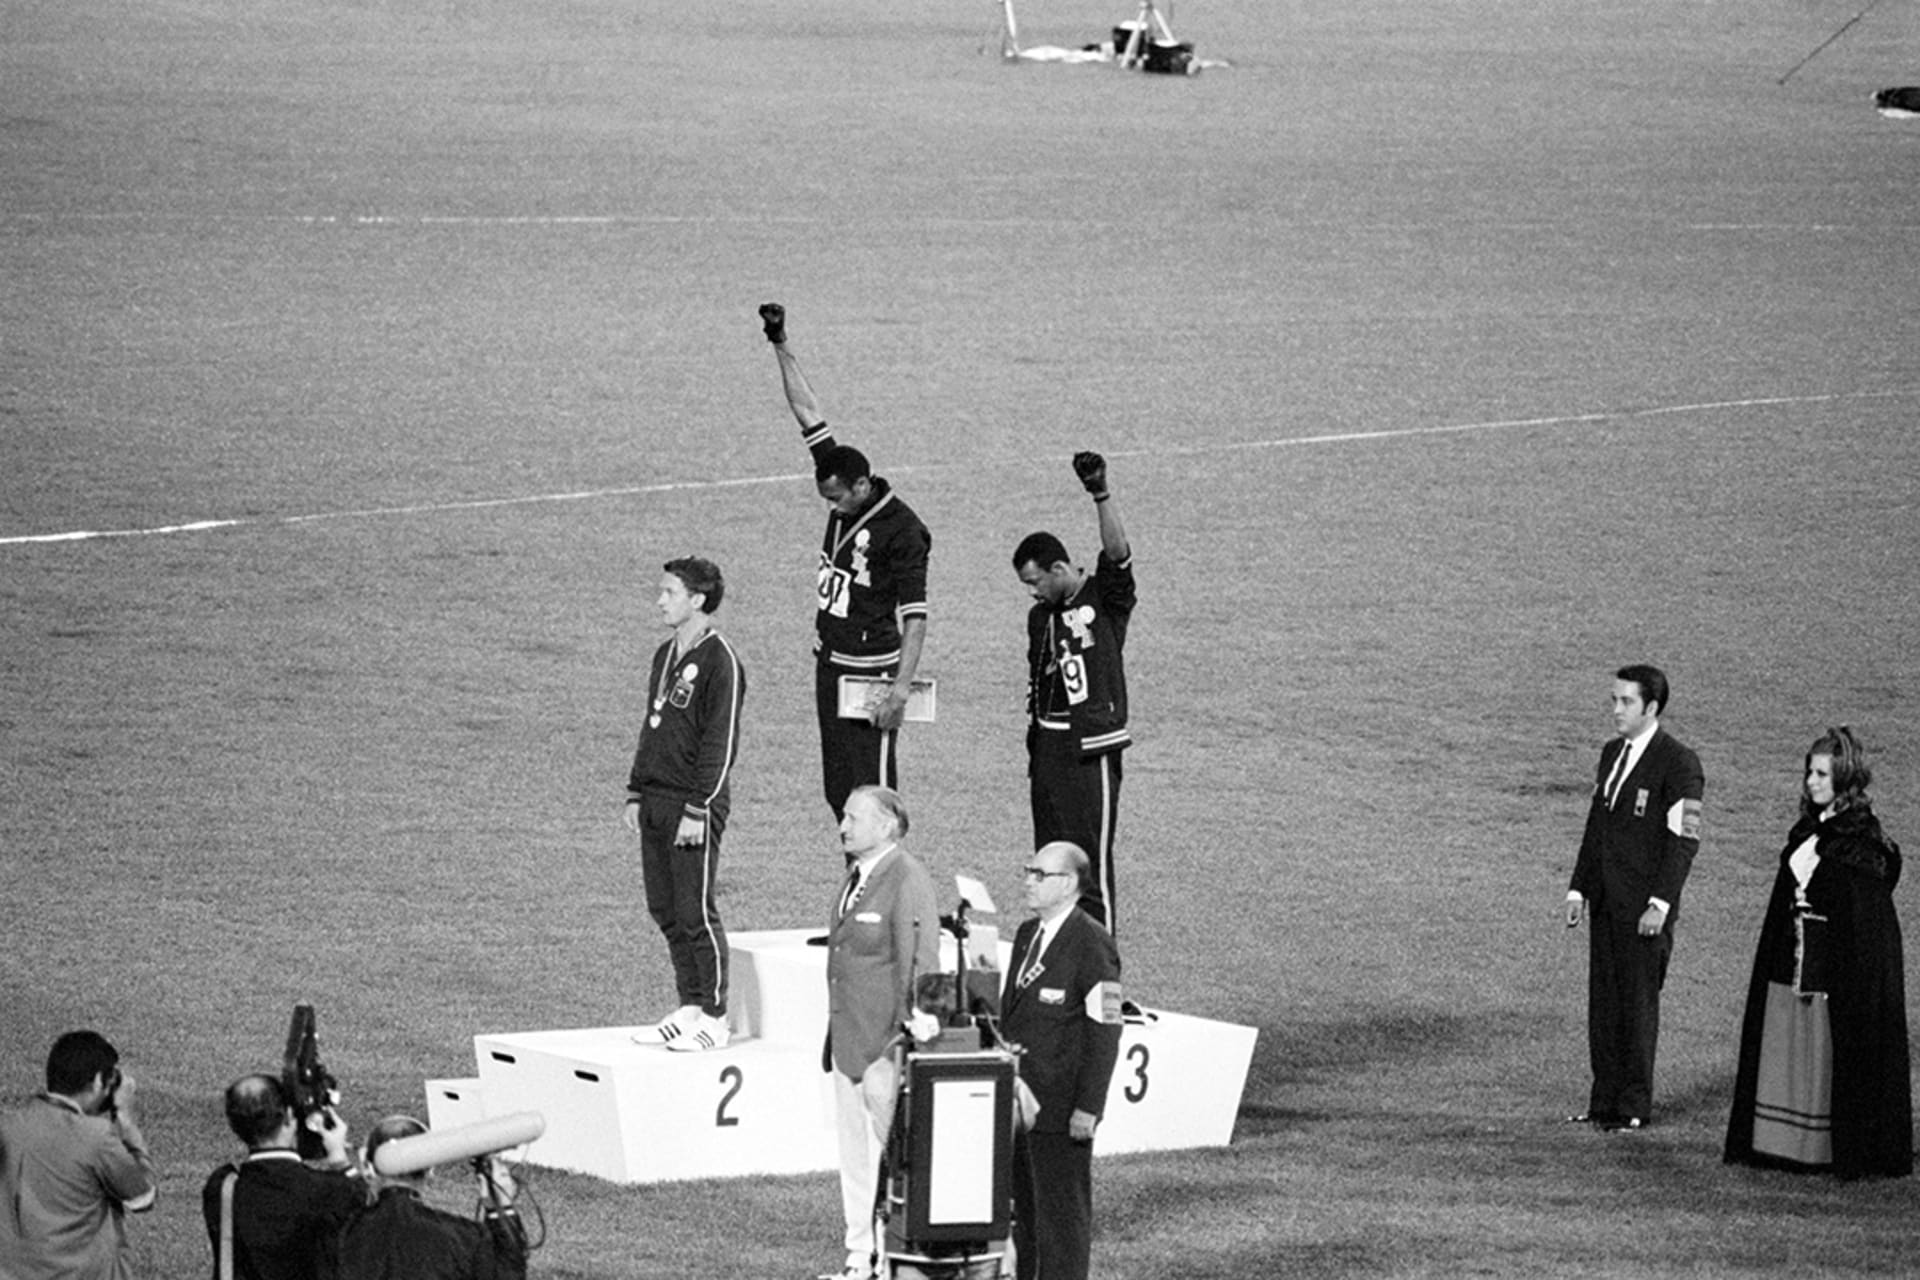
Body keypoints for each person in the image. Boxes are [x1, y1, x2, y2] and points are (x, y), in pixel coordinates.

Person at [759, 302, 932, 820]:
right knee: (839, 794)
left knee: (873, 797)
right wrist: (780, 340)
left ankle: (886, 893)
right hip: (829, 664)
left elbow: (916, 616)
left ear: (862, 484)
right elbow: (808, 412)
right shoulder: (840, 475)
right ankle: (858, 888)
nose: (832, 508)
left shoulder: (904, 531)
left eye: (837, 500)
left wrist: (900, 689)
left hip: (870, 674)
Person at [1724, 726, 1911, 1178]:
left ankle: (1833, 1148)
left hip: (1838, 975)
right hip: (1792, 963)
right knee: (1791, 1048)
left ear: (1845, 780)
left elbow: (1866, 926)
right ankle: (1781, 1145)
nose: (1811, 781)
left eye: (1822, 774)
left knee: (1831, 1053)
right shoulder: (1806, 831)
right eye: (1809, 771)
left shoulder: (1862, 844)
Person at [1563, 664, 1705, 1131]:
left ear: (1652, 707)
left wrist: (1660, 905)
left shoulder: (1679, 763)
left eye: (1626, 702)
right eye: (1614, 700)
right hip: (1605, 904)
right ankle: (1603, 1101)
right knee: (1603, 1005)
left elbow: (1683, 842)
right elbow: (1596, 827)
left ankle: (1634, 1107)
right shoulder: (1611, 755)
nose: (1616, 709)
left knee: (1637, 1006)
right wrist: (1578, 888)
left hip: (1644, 912)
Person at [623, 556, 748, 1053]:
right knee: (665, 909)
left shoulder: (722, 662)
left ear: (697, 600)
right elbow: (651, 724)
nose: (660, 600)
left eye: (669, 592)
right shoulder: (665, 653)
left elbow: (721, 744)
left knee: (695, 909)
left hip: (692, 805)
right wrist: (635, 789)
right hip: (654, 797)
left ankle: (716, 1017)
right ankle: (689, 1005)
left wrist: (700, 808)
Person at [819, 785, 940, 1280]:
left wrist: (907, 1042)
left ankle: (890, 1258)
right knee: (854, 1156)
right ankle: (859, 1256)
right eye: (844, 817)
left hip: (885, 1049)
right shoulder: (857, 876)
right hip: (848, 1042)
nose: (843, 826)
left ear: (887, 825)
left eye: (853, 818)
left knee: (889, 1161)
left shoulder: (906, 878)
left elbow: (922, 964)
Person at [1012, 450, 1135, 932]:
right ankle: (1063, 964)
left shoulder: (1104, 598)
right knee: (1050, 862)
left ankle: (1104, 982)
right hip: (1046, 750)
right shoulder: (1038, 616)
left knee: (1091, 867)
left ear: (1059, 567)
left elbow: (1118, 554)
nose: (1032, 593)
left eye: (1036, 581)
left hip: (1089, 750)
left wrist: (1099, 492)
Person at [997, 841, 1124, 1280]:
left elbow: (1105, 1030)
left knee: (1062, 1221)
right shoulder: (1029, 934)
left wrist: (1089, 1107)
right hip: (1019, 1103)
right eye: (1028, 871)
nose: (1028, 882)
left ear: (1068, 883)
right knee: (1023, 1217)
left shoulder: (1091, 943)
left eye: (1039, 875)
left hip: (1061, 1108)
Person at [0, 1030, 156, 1280]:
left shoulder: (8, 1127)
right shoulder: (96, 1137)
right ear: (97, 1081)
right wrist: (127, 1123)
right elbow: (143, 1196)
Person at [324, 1115, 526, 1280]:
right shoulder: (464, 1236)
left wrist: (340, 1163)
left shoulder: (339, 1234)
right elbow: (508, 1273)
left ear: (368, 1168)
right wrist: (502, 1208)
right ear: (430, 1169)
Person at [202, 1074, 362, 1280]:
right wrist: (339, 1158)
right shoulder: (327, 1191)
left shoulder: (221, 1187)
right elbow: (370, 1210)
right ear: (288, 1116)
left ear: (235, 1126)